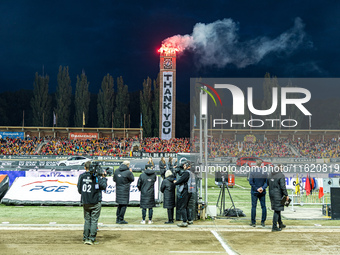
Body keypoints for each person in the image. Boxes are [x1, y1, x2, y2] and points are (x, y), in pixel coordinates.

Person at [77, 161, 107, 245]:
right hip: (95, 201)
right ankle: (92, 238)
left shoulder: (82, 176)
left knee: (87, 220)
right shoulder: (96, 176)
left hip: (85, 201)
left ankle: (85, 237)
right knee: (94, 220)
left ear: (85, 167)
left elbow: (79, 190)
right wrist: (104, 177)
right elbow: (103, 186)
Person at [268, 164, 289, 232]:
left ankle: (280, 223)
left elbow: (268, 183)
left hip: (271, 193)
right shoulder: (281, 175)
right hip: (278, 194)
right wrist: (286, 195)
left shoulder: (270, 174)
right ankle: (274, 226)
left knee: (277, 209)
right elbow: (283, 186)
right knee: (277, 210)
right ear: (281, 168)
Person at [249, 160, 268, 227]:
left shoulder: (253, 172)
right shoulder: (265, 172)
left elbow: (251, 182)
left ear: (256, 164)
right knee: (263, 207)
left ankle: (253, 222)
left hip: (254, 192)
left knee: (254, 206)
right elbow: (267, 182)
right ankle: (263, 222)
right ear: (261, 165)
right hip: (262, 192)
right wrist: (262, 188)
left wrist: (257, 188)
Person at [174, 162, 190, 227]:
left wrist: (175, 183)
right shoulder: (191, 172)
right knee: (186, 206)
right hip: (190, 190)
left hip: (186, 190)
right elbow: (183, 175)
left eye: (184, 165)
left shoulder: (187, 172)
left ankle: (184, 221)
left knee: (183, 206)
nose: (183, 166)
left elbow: (182, 179)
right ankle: (189, 219)